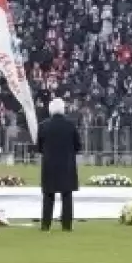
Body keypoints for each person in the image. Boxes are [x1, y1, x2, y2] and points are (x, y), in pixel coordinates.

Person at [37, 98, 83, 232]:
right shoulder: (70, 125)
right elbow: (78, 146)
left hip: (49, 164)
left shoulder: (43, 125)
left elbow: (39, 147)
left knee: (48, 196)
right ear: (63, 109)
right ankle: (67, 225)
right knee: (67, 195)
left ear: (50, 110)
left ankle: (46, 225)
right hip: (67, 164)